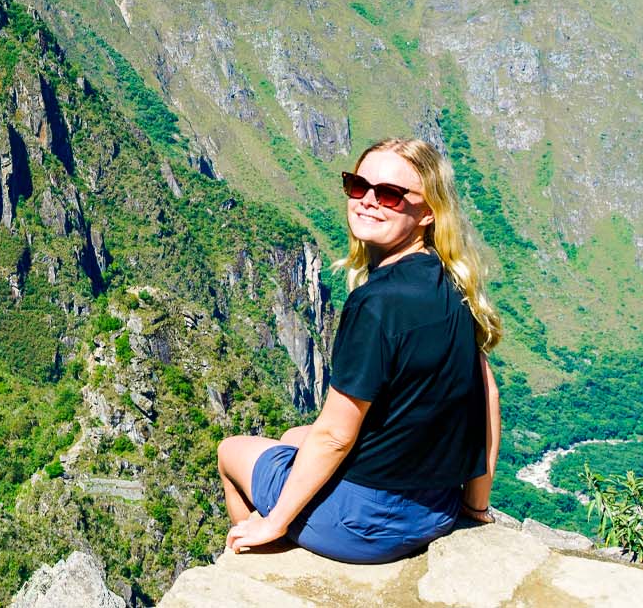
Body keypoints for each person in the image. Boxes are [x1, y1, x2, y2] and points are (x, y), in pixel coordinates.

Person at [216, 137, 504, 564]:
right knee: (296, 437)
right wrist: (475, 505)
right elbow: (488, 397)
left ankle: (264, 549)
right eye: (358, 185)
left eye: (390, 194)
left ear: (428, 212)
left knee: (231, 451)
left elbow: (336, 435)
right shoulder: (450, 281)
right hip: (436, 509)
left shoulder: (375, 304)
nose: (369, 201)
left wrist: (274, 520)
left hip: (366, 525)